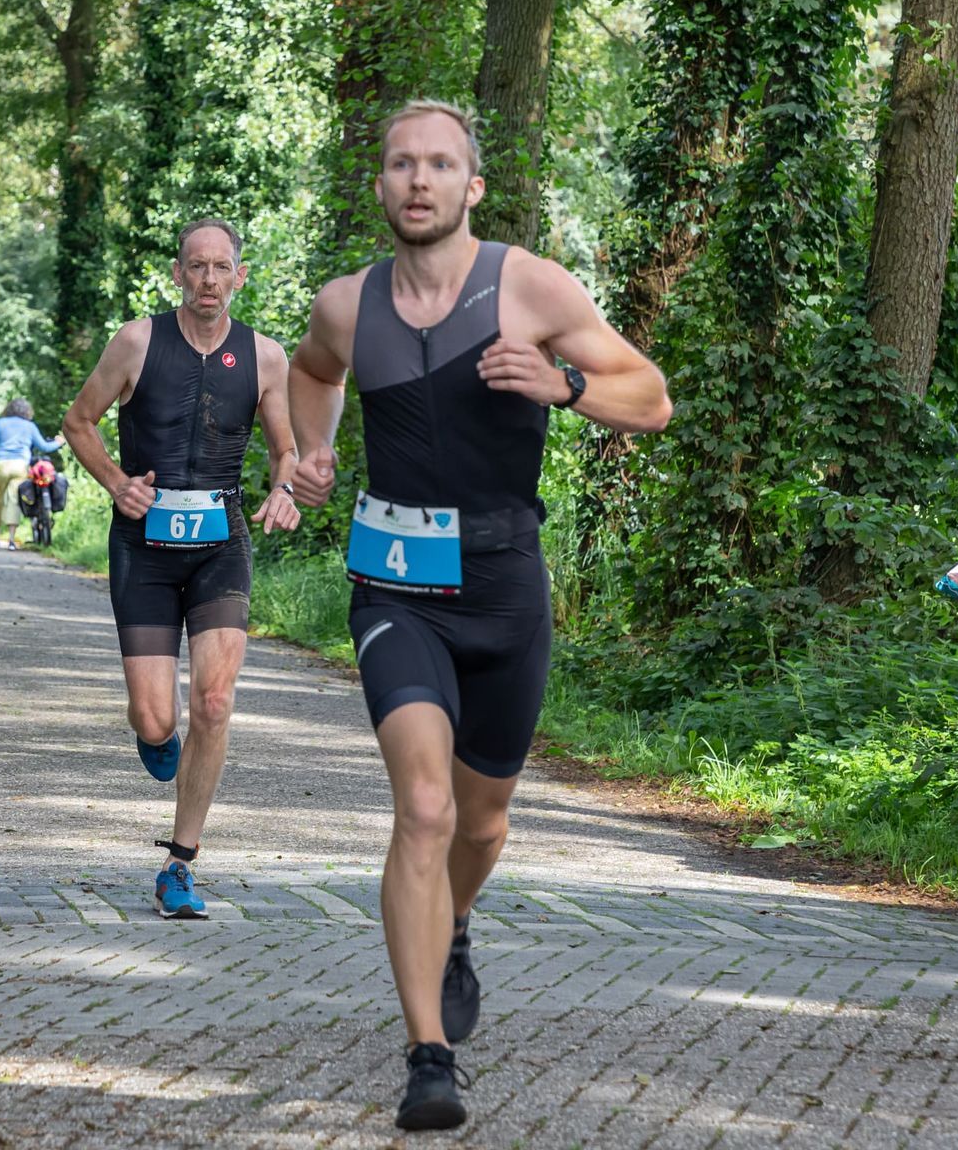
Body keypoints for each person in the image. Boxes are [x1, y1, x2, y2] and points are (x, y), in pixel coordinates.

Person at [286, 100, 670, 1130]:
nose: (419, 180)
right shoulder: (345, 304)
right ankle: (429, 1057)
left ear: (473, 186)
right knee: (424, 807)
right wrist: (308, 452)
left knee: (483, 820)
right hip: (394, 586)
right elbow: (312, 374)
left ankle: (451, 920)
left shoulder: (529, 286)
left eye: (440, 164)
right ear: (381, 182)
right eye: (402, 163)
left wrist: (563, 383)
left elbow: (651, 395)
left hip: (505, 587)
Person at [61, 218, 302, 920]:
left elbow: (285, 450)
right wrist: (116, 482)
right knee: (154, 716)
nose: (208, 280)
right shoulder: (137, 341)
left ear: (240, 276)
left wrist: (283, 489)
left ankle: (179, 864)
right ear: (178, 274)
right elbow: (79, 422)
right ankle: (157, 735)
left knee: (215, 703)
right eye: (197, 266)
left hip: (221, 544)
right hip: (143, 546)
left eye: (221, 267)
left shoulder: (265, 356)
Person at [0, 398, 62, 549]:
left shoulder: (0, 423)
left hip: (0, 465)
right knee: (13, 500)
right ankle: (11, 540)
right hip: (20, 465)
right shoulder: (30, 426)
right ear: (27, 411)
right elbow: (44, 447)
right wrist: (58, 442)